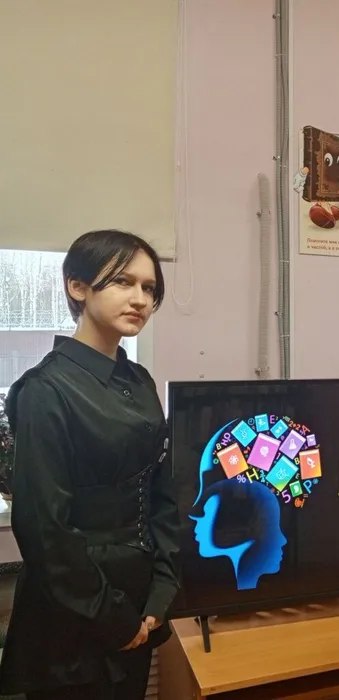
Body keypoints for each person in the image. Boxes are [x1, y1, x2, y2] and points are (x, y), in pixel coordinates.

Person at [0, 230, 180, 700]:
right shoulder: (44, 389)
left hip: (140, 595)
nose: (140, 299)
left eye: (149, 288)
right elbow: (43, 526)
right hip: (75, 607)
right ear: (78, 286)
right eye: (123, 282)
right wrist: (111, 615)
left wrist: (162, 587)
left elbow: (160, 488)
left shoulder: (138, 379)